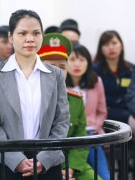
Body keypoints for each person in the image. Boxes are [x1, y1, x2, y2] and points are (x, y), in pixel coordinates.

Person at [0, 9, 70, 180]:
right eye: (22, 33)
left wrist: (44, 159)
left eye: (36, 33)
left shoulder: (55, 74)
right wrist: (16, 160)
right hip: (6, 163)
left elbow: (62, 121)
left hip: (48, 164)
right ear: (10, 37)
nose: (30, 39)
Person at [38, 33, 102, 180]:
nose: (58, 72)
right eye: (51, 66)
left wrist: (71, 169)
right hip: (40, 166)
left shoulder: (75, 100)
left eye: (62, 67)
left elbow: (81, 139)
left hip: (71, 165)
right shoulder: (28, 99)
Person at [66, 43, 109, 180]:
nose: (77, 64)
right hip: (69, 138)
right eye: (72, 59)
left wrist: (95, 125)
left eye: (82, 60)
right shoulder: (60, 82)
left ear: (88, 63)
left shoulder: (96, 81)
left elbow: (102, 111)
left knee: (104, 176)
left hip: (91, 135)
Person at [93, 30, 134, 133]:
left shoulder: (130, 69)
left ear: (121, 46)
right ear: (101, 49)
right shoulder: (94, 70)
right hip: (106, 112)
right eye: (106, 44)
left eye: (114, 43)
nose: (111, 47)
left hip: (128, 109)